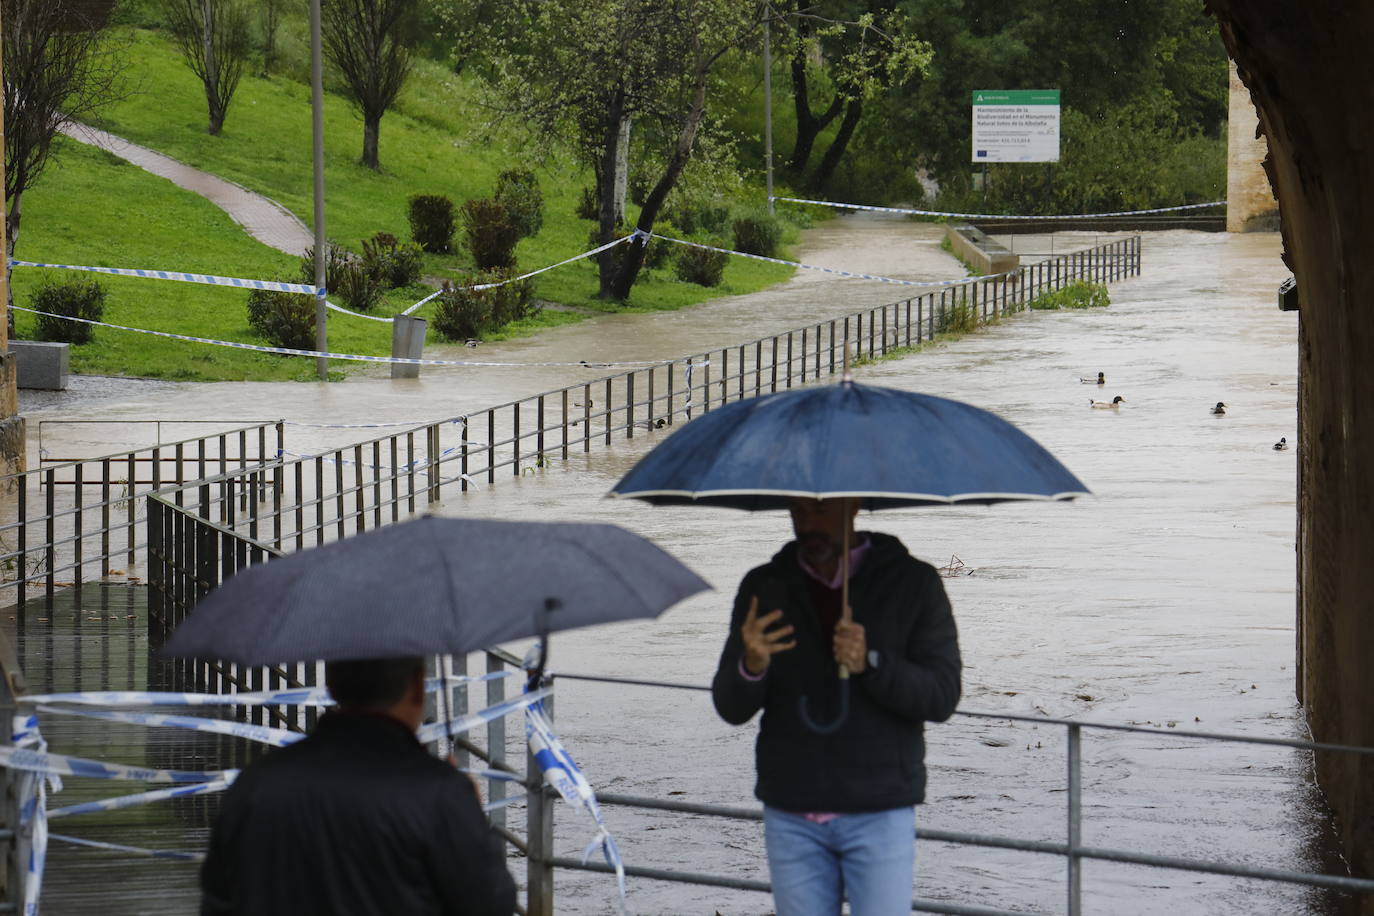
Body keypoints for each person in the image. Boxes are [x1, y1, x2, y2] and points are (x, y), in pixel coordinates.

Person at [712, 498, 962, 916]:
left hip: (880, 807)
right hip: (790, 809)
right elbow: (730, 707)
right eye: (797, 511)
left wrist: (872, 663)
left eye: (821, 510)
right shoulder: (764, 586)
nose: (808, 523)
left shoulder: (914, 582)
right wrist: (751, 665)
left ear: (854, 505)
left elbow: (942, 696)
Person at [201, 656, 517, 916]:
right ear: (418, 689)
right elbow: (491, 903)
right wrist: (470, 811)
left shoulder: (256, 783)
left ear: (332, 686)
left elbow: (218, 900)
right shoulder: (440, 794)